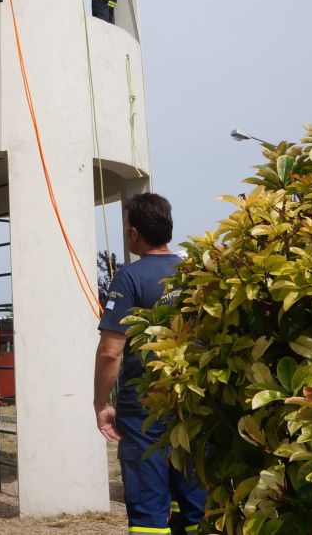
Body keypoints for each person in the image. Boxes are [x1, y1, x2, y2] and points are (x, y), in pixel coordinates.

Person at [93, 193, 205, 534]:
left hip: (145, 410)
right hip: (194, 402)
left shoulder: (129, 277)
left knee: (147, 512)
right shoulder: (194, 274)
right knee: (195, 504)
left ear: (133, 232)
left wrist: (101, 404)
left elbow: (111, 351)